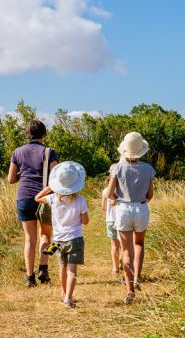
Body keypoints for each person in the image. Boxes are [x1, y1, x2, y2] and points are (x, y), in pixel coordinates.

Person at [7, 119, 59, 287]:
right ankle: (43, 269)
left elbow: (10, 179)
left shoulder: (17, 152)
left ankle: (30, 277)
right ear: (44, 134)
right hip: (44, 197)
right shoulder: (49, 152)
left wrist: (24, 174)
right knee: (45, 235)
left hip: (24, 196)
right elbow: (56, 177)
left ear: (27, 133)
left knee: (30, 238)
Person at [106, 132, 155, 304]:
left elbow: (110, 193)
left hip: (123, 209)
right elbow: (150, 195)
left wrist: (116, 198)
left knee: (126, 250)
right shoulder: (148, 169)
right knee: (139, 244)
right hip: (141, 207)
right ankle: (138, 277)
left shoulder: (117, 168)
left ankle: (130, 290)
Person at [35, 162, 89, 308]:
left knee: (62, 268)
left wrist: (50, 187)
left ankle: (63, 294)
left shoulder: (52, 199)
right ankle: (68, 298)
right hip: (75, 239)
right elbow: (85, 221)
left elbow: (37, 198)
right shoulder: (81, 201)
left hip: (57, 241)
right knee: (72, 270)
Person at [101, 178, 121, 277]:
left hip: (110, 220)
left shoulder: (105, 191)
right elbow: (113, 202)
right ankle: (124, 262)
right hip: (121, 220)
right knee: (125, 245)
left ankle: (115, 268)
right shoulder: (121, 190)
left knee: (114, 245)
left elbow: (103, 207)